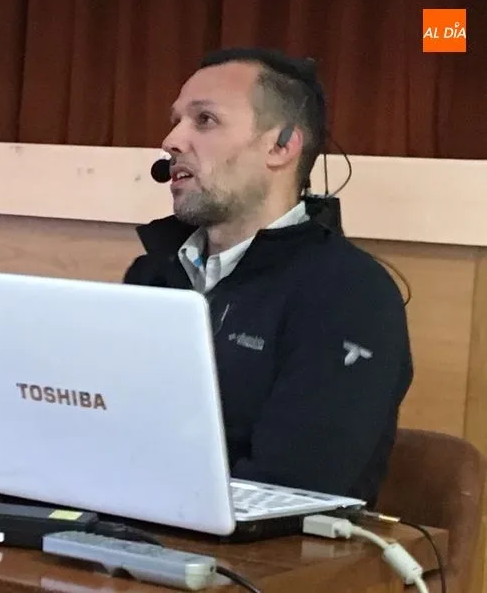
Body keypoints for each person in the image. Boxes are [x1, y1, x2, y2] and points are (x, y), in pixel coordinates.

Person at [123, 47, 412, 505]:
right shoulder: (151, 275)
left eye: (205, 120)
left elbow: (292, 488)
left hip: (269, 567)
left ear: (281, 145)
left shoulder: (351, 295)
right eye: (176, 120)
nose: (172, 141)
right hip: (131, 531)